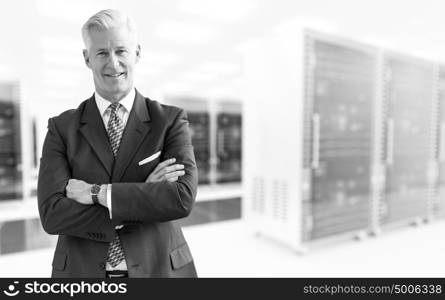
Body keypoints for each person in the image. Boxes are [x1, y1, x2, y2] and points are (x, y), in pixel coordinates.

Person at [37, 9, 198, 278]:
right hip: (82, 273)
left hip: (159, 270)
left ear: (137, 53)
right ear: (87, 58)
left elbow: (181, 199)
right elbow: (53, 215)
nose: (113, 64)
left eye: (121, 51)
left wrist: (97, 194)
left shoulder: (169, 121)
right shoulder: (62, 128)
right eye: (101, 53)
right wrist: (143, 195)